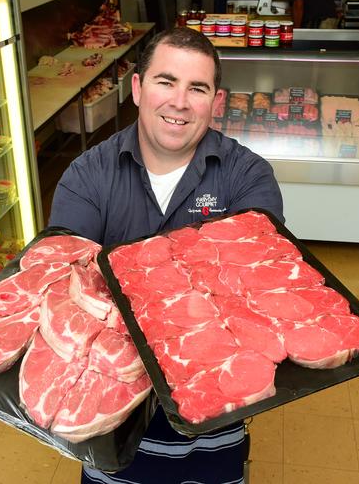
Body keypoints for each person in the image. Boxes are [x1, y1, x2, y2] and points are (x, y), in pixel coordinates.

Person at [49, 26, 284, 484]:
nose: (179, 102)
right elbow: (66, 291)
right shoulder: (88, 175)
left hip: (212, 417)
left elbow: (255, 290)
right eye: (165, 81)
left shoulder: (247, 177)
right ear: (137, 88)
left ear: (216, 102)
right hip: (113, 415)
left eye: (197, 88)